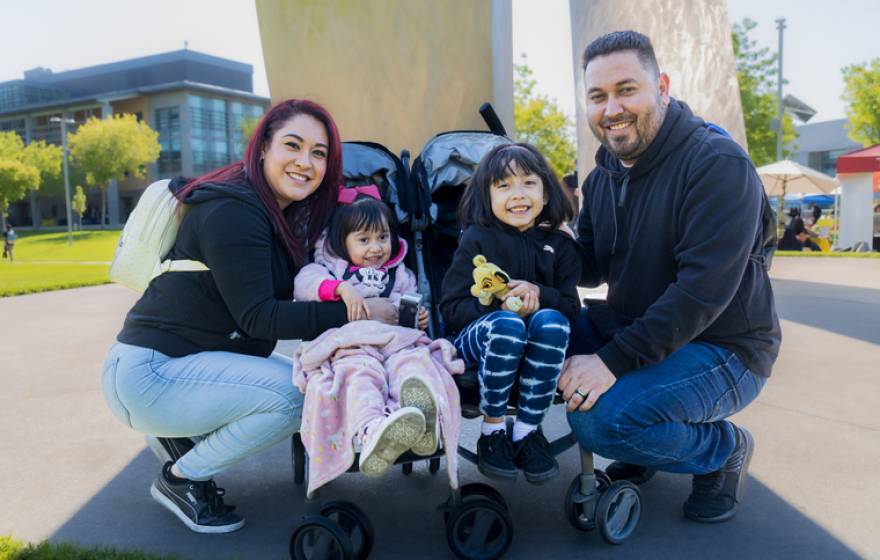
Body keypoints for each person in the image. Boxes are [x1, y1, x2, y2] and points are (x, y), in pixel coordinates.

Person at [101, 99, 399, 534]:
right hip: (152, 374)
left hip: (176, 365)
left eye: (318, 153)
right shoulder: (234, 211)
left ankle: (178, 436)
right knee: (296, 396)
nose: (305, 162)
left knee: (309, 378)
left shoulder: (270, 211)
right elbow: (259, 318)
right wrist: (357, 314)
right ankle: (181, 479)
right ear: (263, 148)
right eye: (292, 145)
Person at [561, 31, 781, 523]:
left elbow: (700, 294)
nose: (611, 108)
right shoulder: (601, 178)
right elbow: (590, 265)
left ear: (661, 86)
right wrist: (542, 240)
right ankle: (649, 436)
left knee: (603, 422)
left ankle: (723, 449)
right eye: (598, 96)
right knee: (543, 333)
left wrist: (610, 362)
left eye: (626, 90)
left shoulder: (716, 164)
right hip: (638, 327)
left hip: (724, 347)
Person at [440, 143, 581, 484]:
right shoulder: (477, 239)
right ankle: (492, 431)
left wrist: (540, 295)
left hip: (538, 344)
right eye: (504, 186)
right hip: (478, 341)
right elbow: (451, 309)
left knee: (554, 321)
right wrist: (493, 305)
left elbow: (570, 307)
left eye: (528, 183)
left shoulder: (559, 243)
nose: (518, 194)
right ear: (487, 196)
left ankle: (527, 432)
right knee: (506, 324)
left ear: (545, 193)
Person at [293, 186, 441, 478]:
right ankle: (373, 431)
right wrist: (341, 289)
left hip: (393, 342)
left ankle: (420, 421)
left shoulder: (399, 273)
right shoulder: (331, 268)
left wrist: (415, 316)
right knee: (360, 376)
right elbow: (304, 284)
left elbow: (407, 300)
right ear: (341, 242)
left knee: (414, 365)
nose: (376, 248)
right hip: (353, 346)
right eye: (364, 240)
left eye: (383, 237)